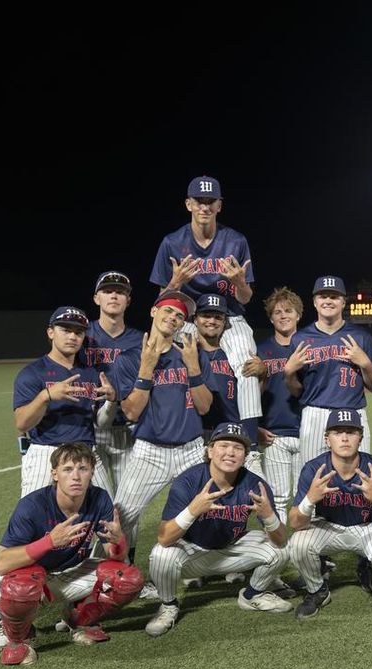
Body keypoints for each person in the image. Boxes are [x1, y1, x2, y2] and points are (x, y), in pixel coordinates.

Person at [0, 443, 143, 665]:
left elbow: (116, 556)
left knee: (129, 579)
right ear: (54, 474)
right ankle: (17, 641)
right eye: (68, 469)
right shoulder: (32, 506)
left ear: (92, 472)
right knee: (19, 586)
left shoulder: (99, 498)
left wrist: (118, 540)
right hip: (37, 579)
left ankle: (78, 618)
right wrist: (50, 541)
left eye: (82, 469)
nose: (76, 476)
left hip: (74, 571)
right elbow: (1, 563)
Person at [144, 422, 293, 637]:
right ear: (210, 450)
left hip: (231, 551)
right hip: (191, 553)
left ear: (245, 455)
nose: (230, 453)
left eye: (238, 448)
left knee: (282, 549)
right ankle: (168, 605)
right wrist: (193, 510)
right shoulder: (188, 481)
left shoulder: (255, 484)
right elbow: (165, 537)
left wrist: (269, 516)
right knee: (160, 555)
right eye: (223, 445)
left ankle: (252, 595)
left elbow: (280, 540)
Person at [110, 289, 211, 582]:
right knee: (123, 516)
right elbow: (130, 412)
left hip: (191, 449)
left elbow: (204, 406)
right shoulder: (129, 358)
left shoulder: (192, 354)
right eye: (168, 311)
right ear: (154, 312)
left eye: (179, 315)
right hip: (149, 451)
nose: (173, 317)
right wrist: (145, 370)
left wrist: (193, 367)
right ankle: (120, 576)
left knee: (200, 514)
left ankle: (197, 569)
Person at [150, 175, 261, 440]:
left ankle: (250, 442)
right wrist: (175, 282)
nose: (205, 207)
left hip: (230, 316)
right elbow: (160, 302)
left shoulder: (236, 241)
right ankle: (176, 436)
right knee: (168, 366)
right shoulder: (172, 243)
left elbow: (245, 298)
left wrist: (239, 283)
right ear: (188, 204)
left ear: (219, 206)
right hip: (187, 318)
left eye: (210, 201)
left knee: (247, 367)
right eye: (199, 201)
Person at [286, 408, 372, 618]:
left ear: (361, 437)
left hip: (367, 527)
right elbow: (295, 523)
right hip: (327, 527)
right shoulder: (314, 469)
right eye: (338, 432)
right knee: (298, 544)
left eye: (351, 432)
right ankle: (317, 590)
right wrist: (310, 499)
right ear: (327, 439)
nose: (345, 438)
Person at [13, 306, 114, 496]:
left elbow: (100, 422)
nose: (72, 337)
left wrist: (111, 402)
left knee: (106, 517)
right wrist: (46, 396)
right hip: (46, 452)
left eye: (78, 332)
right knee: (34, 518)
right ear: (51, 332)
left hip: (86, 452)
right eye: (66, 330)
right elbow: (22, 423)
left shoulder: (92, 373)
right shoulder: (32, 373)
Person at [284, 276, 372, 463]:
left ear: (343, 302)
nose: (328, 301)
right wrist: (288, 372)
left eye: (334, 297)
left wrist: (366, 364)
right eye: (323, 296)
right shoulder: (300, 339)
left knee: (358, 477)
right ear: (314, 302)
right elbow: (297, 391)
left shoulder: (361, 336)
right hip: (315, 413)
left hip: (353, 412)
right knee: (314, 475)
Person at [243, 287, 307, 516]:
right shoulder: (261, 350)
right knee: (277, 497)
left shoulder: (310, 346)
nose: (283, 316)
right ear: (271, 318)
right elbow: (249, 396)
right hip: (273, 435)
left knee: (307, 496)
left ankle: (306, 550)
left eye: (288, 310)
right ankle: (278, 549)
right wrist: (254, 427)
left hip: (307, 432)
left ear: (298, 314)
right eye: (277, 312)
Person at [82, 270, 144, 492]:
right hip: (87, 429)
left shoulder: (140, 340)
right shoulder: (81, 335)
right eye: (107, 291)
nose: (114, 296)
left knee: (127, 504)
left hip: (126, 430)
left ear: (128, 300)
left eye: (120, 292)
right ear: (97, 299)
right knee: (99, 501)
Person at [194, 293, 262, 473]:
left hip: (232, 433)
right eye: (206, 315)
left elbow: (255, 394)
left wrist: (263, 373)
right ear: (195, 319)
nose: (212, 321)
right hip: (196, 436)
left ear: (225, 322)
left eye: (218, 317)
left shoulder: (234, 356)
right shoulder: (187, 354)